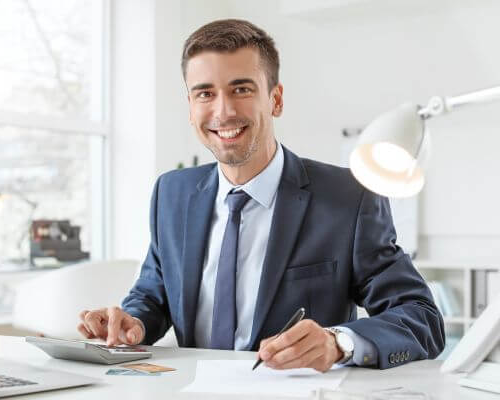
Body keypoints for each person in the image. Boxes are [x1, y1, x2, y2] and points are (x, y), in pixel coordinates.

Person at [78, 19, 445, 371]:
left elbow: (421, 316)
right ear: (190, 107)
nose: (223, 111)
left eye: (242, 89)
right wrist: (133, 323)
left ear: (276, 99)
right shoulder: (171, 193)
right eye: (205, 93)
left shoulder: (350, 197)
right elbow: (154, 294)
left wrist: (337, 343)